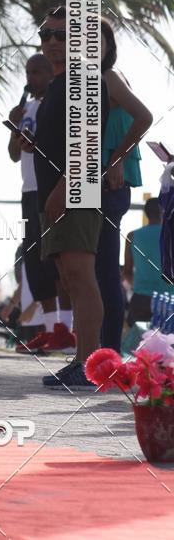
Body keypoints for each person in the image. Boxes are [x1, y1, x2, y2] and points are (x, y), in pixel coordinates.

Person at [29, 6, 109, 389]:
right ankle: (83, 361)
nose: (54, 43)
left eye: (62, 35)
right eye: (47, 35)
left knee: (81, 277)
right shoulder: (59, 84)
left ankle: (91, 364)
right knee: (70, 278)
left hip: (74, 191)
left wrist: (63, 188)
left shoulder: (83, 79)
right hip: (57, 194)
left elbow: (88, 141)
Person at [7, 54, 75, 353]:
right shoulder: (29, 108)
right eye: (28, 72)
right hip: (29, 190)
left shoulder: (55, 105)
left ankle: (68, 329)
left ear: (52, 73)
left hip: (52, 188)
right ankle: (51, 330)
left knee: (58, 260)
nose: (30, 78)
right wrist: (14, 126)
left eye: (37, 72)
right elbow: (13, 155)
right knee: (35, 263)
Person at [97, 18, 152, 351]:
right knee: (91, 271)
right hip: (89, 182)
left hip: (109, 182)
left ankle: (109, 353)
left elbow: (144, 117)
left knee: (104, 270)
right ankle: (97, 350)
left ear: (108, 47)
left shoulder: (109, 78)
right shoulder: (77, 83)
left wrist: (116, 158)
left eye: (96, 39)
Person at [124, 198, 170, 325]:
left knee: (140, 342)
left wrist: (140, 286)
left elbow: (127, 272)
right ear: (163, 212)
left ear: (146, 213)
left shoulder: (132, 236)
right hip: (169, 300)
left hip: (141, 300)